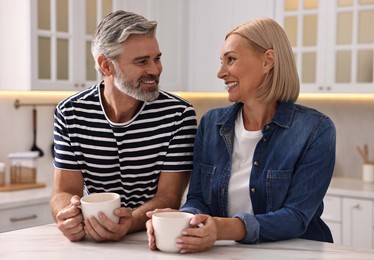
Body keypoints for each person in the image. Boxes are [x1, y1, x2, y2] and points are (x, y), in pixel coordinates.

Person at [146, 17, 336, 253]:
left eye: (231, 60)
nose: (220, 72)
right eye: (221, 61)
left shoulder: (316, 130)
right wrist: (185, 220)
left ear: (268, 61)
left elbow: (296, 217)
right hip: (228, 252)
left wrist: (222, 228)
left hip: (296, 252)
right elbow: (197, 199)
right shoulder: (211, 124)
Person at [50, 10, 197, 242]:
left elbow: (169, 197)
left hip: (149, 239)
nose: (155, 70)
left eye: (157, 58)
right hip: (92, 240)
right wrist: (65, 214)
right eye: (142, 61)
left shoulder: (178, 115)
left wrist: (129, 223)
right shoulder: (70, 113)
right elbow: (64, 191)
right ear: (106, 66)